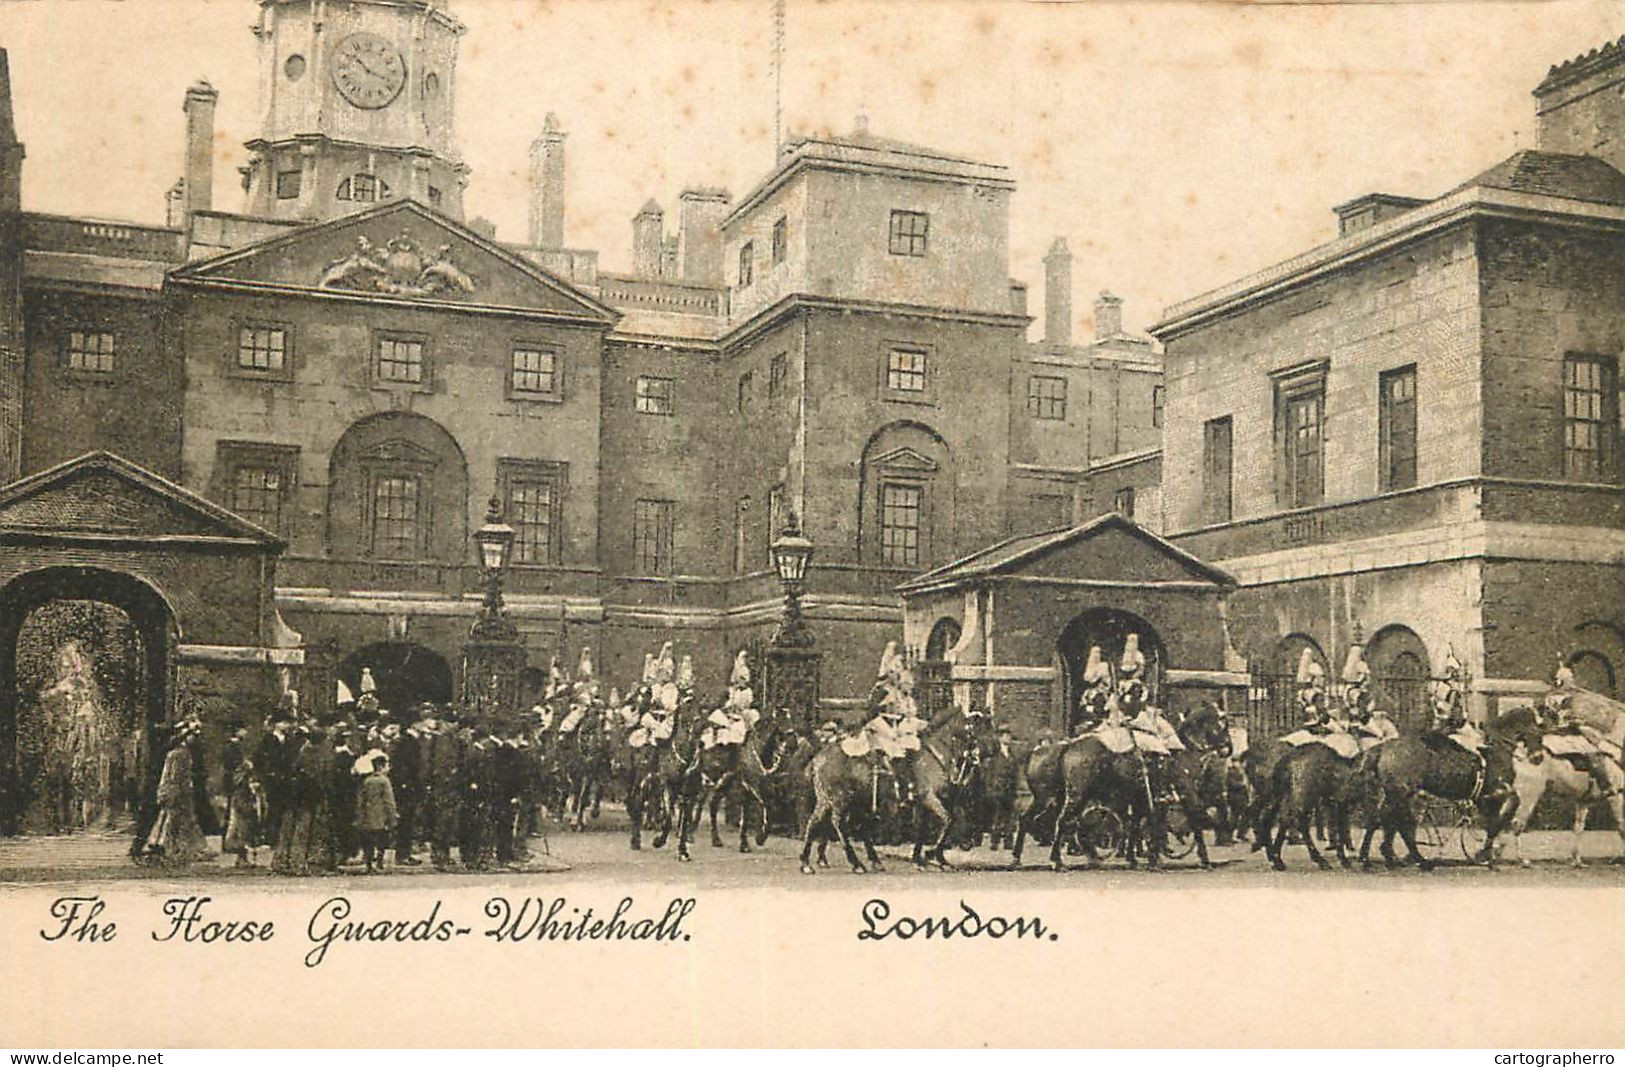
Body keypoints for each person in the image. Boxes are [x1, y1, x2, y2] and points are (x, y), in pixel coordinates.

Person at [145, 721, 211, 866]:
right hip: (177, 791)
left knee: (175, 820)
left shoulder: (176, 753)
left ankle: (169, 847)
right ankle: (167, 848)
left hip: (173, 790)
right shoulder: (181, 754)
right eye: (192, 735)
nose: (194, 739)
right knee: (174, 820)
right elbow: (175, 777)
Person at [221, 727, 263, 868]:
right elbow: (236, 770)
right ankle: (241, 855)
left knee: (241, 821)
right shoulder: (233, 748)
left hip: (238, 787)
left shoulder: (234, 747)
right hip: (239, 788)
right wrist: (247, 768)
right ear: (237, 731)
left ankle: (242, 855)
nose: (246, 732)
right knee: (241, 821)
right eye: (243, 729)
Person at [390, 710, 425, 865]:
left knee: (408, 820)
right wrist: (406, 783)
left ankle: (405, 852)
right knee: (406, 819)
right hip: (407, 786)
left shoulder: (409, 740)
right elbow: (405, 765)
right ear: (414, 724)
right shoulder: (408, 741)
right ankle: (402, 854)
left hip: (409, 785)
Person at [356, 754, 398, 873]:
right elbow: (389, 800)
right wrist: (393, 815)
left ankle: (369, 864)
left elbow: (361, 800)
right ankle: (379, 863)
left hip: (367, 816)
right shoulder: (384, 781)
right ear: (382, 766)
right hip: (381, 816)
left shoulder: (366, 781)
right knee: (381, 840)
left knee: (368, 841)